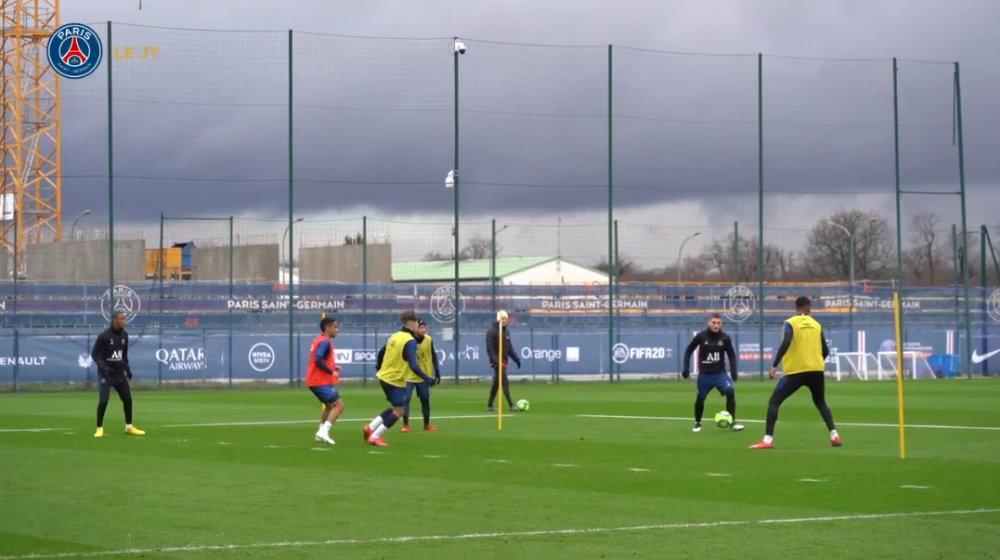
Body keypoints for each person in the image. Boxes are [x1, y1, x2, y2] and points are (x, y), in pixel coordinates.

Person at [750, 296, 842, 449]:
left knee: (774, 401)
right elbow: (825, 350)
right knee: (821, 403)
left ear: (796, 307)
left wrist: (774, 365)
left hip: (796, 371)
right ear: (809, 307)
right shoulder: (816, 324)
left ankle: (767, 440)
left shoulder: (791, 323)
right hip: (816, 370)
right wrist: (817, 361)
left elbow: (786, 341)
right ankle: (835, 436)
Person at [363, 311, 436, 447]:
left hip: (385, 376)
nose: (417, 325)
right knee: (399, 411)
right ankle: (375, 436)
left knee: (395, 407)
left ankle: (370, 427)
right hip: (394, 379)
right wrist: (426, 378)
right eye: (416, 322)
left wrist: (379, 367)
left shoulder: (395, 336)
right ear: (411, 323)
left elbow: (381, 352)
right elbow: (413, 365)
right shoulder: (410, 341)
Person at [682, 313, 743, 432]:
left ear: (721, 324)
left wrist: (734, 371)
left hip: (720, 374)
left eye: (718, 323)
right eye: (714, 323)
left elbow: (731, 355)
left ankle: (733, 422)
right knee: (700, 398)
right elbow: (689, 350)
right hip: (705, 375)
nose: (716, 325)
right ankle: (698, 422)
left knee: (730, 392)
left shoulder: (725, 338)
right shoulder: (701, 337)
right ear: (709, 323)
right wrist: (686, 368)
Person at [91, 311, 145, 438]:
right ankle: (99, 428)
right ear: (115, 320)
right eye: (122, 319)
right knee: (104, 401)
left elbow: (124, 354)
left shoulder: (125, 335)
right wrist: (103, 367)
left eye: (125, 319)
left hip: (119, 373)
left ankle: (129, 427)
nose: (124, 321)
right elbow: (95, 354)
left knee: (127, 400)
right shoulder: (104, 336)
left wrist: (127, 369)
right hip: (106, 374)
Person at [306, 316, 343, 444]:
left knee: (329, 406)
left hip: (314, 380)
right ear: (327, 328)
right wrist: (331, 371)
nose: (337, 330)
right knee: (339, 406)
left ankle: (320, 432)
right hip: (319, 381)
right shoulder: (325, 342)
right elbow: (317, 360)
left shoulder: (320, 340)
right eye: (335, 327)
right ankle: (324, 432)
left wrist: (333, 366)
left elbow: (320, 359)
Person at [402, 320, 441, 433]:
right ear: (415, 329)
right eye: (421, 327)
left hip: (424, 377)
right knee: (406, 399)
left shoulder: (428, 339)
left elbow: (433, 355)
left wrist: (437, 370)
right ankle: (405, 425)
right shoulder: (409, 341)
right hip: (409, 376)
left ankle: (427, 424)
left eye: (425, 327)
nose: (424, 330)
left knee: (425, 399)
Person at [486, 310, 520, 412]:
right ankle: (511, 405)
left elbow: (509, 348)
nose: (504, 320)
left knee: (496, 384)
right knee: (504, 382)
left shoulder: (506, 332)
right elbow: (490, 349)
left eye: (505, 318)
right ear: (498, 319)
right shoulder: (491, 332)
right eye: (502, 318)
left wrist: (516, 359)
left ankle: (490, 405)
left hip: (504, 361)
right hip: (496, 362)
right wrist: (496, 361)